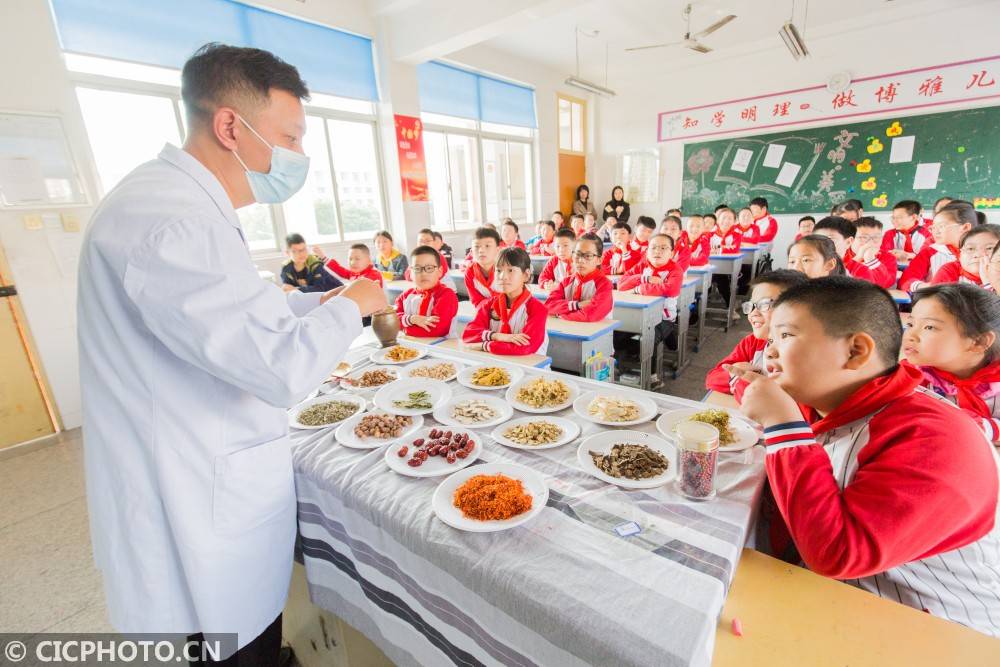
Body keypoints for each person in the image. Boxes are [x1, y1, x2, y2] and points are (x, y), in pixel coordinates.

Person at [77, 43, 388, 664]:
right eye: (291, 138)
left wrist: (328, 303)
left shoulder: (175, 202)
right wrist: (351, 307)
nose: (299, 157)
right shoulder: (177, 222)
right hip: (191, 508)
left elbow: (243, 318)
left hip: (199, 476)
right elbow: (278, 367)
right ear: (229, 126)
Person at [728, 276, 1000, 636]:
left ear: (856, 351)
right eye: (773, 337)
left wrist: (782, 423)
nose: (770, 350)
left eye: (787, 336)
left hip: (931, 629)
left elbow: (838, 554)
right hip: (845, 596)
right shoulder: (837, 402)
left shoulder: (932, 438)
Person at [904, 284, 1000, 445]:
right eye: (911, 325)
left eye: (929, 327)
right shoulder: (909, 377)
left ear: (979, 341)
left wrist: (985, 428)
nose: (910, 335)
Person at [705, 270, 808, 401]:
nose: (753, 313)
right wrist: (737, 376)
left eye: (764, 304)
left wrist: (743, 379)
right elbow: (712, 378)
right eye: (751, 305)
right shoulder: (752, 343)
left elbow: (765, 400)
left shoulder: (798, 355)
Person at [463, 247, 547, 354]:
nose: (503, 276)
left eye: (511, 270)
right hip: (496, 366)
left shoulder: (537, 309)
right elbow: (469, 334)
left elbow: (525, 347)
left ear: (526, 275)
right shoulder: (489, 304)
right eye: (498, 270)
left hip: (529, 367)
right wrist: (497, 336)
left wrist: (486, 345)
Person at [618, 234, 683, 348]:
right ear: (647, 251)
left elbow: (671, 289)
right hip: (637, 314)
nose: (657, 251)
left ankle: (651, 361)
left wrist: (640, 289)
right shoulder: (642, 265)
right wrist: (645, 278)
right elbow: (621, 285)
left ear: (671, 254)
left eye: (663, 248)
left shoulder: (675, 270)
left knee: (646, 344)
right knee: (616, 337)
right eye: (653, 247)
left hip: (663, 318)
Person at [900, 201, 977, 292]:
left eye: (941, 226)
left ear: (965, 227)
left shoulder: (984, 253)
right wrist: (929, 287)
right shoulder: (930, 252)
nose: (935, 231)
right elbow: (906, 281)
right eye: (933, 227)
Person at [812, 216, 896, 288]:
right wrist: (858, 258)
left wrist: (871, 259)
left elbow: (884, 284)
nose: (871, 242)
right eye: (864, 237)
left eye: (876, 237)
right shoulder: (840, 253)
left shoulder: (888, 257)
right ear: (851, 240)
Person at [545, 233, 613, 322]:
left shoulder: (604, 284)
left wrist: (559, 314)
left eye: (588, 256)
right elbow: (548, 306)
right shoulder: (566, 282)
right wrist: (577, 305)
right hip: (568, 330)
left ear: (599, 260)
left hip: (596, 333)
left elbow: (590, 315)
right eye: (577, 255)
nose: (581, 260)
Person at [395, 245, 458, 339]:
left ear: (440, 271)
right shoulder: (405, 296)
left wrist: (404, 328)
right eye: (417, 269)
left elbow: (436, 330)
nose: (423, 273)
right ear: (410, 273)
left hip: (441, 347)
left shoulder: (446, 295)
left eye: (429, 268)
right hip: (411, 347)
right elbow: (392, 320)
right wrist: (411, 319)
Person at [931, 224, 1000, 289]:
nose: (978, 255)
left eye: (989, 248)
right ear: (960, 255)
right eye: (970, 249)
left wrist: (988, 282)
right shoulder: (949, 272)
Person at [465, 226, 501, 307]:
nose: (481, 250)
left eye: (487, 246)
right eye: (477, 246)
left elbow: (513, 298)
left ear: (497, 250)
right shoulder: (470, 272)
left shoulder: (508, 269)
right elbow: (476, 301)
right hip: (486, 312)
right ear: (471, 252)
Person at [316, 243, 383, 285]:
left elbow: (363, 285)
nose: (352, 262)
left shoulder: (374, 274)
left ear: (368, 260)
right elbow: (339, 270)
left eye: (357, 259)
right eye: (350, 259)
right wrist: (323, 257)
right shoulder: (354, 273)